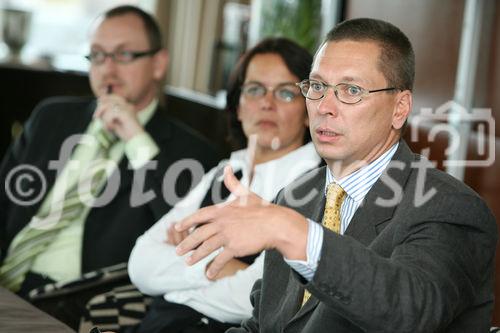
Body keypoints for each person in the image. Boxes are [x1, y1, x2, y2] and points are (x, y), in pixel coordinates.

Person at [174, 18, 498, 332]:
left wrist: (292, 232)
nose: (324, 106)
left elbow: (410, 311)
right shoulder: (293, 198)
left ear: (400, 108)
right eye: (317, 86)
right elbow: (263, 326)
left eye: (351, 90)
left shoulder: (449, 207)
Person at [0, 5, 218, 329]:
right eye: (98, 56)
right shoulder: (51, 117)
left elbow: (187, 234)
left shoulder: (192, 152)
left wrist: (137, 140)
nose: (108, 69)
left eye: (124, 55)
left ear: (159, 64)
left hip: (74, 305)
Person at [85, 37, 321, 333]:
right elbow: (140, 263)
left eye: (285, 93)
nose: (266, 103)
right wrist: (225, 264)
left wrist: (183, 262)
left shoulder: (312, 186)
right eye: (255, 90)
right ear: (237, 107)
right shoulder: (223, 171)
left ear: (308, 110)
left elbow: (258, 301)